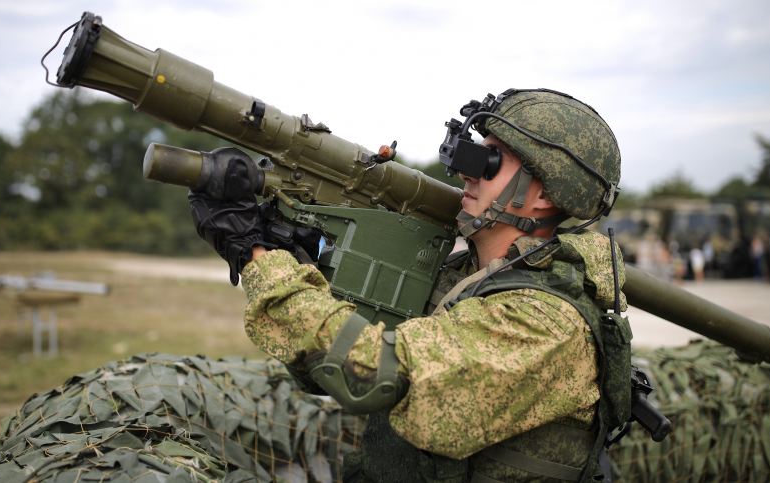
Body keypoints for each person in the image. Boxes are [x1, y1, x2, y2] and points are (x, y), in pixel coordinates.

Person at [188, 89, 629, 482]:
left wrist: (257, 260)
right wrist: (296, 258)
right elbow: (328, 375)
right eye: (475, 154)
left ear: (545, 195)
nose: (468, 173)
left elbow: (376, 378)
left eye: (491, 161)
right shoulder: (464, 277)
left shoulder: (543, 321)